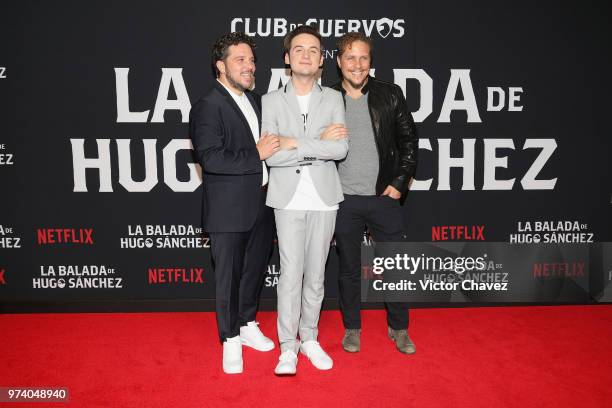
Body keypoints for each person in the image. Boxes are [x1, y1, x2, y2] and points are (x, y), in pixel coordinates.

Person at [189, 32, 279, 374]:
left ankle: (247, 324)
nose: (249, 66)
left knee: (254, 270)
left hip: (262, 202)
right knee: (228, 277)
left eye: (251, 60)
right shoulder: (208, 106)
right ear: (220, 65)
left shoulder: (257, 101)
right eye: (240, 60)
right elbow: (211, 159)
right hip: (227, 209)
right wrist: (255, 154)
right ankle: (229, 339)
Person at [262, 25, 348, 375]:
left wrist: (294, 142)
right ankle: (288, 347)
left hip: (325, 198)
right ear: (287, 58)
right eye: (299, 49)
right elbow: (271, 156)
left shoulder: (333, 98)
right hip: (287, 198)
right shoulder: (270, 100)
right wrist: (315, 145)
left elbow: (340, 148)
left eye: (314, 49)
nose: (306, 55)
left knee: (315, 276)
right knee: (290, 274)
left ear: (321, 60)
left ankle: (309, 338)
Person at [332, 32, 419, 355]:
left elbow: (409, 142)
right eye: (350, 58)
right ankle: (352, 328)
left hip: (384, 197)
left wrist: (398, 182)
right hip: (343, 200)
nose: (357, 65)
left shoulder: (390, 94)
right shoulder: (326, 98)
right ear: (339, 62)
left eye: (363, 58)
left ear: (371, 62)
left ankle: (399, 329)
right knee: (348, 268)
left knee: (395, 265)